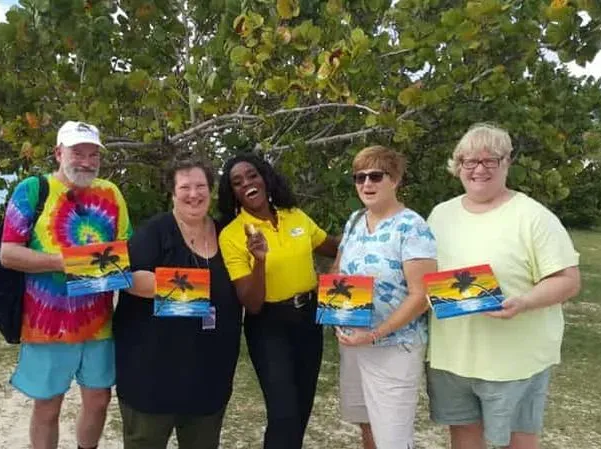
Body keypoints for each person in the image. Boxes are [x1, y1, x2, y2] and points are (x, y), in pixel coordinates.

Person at [426, 123, 581, 449]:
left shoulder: (533, 216)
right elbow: (423, 276)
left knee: (517, 442)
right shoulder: (440, 215)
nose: (479, 169)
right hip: (452, 357)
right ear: (458, 166)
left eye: (490, 161)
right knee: (464, 441)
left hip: (515, 361)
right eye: (470, 161)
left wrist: (523, 302)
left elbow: (568, 280)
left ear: (507, 162)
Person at [0, 121, 132, 449]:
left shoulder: (111, 193)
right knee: (48, 406)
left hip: (99, 323)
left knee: (99, 400)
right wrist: (66, 261)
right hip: (47, 324)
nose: (86, 161)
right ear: (59, 153)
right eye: (77, 152)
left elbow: (125, 249)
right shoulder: (32, 189)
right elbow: (8, 254)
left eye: (93, 154)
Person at [113, 158, 242, 449]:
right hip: (152, 375)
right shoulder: (155, 230)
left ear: (211, 190)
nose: (193, 194)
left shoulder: (228, 233)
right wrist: (188, 290)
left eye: (200, 186)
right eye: (185, 187)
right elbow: (126, 276)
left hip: (210, 375)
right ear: (172, 193)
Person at [218, 153, 339, 449]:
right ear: (232, 193)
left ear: (265, 178)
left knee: (301, 410)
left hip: (309, 319)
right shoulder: (233, 235)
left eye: (252, 175)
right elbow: (252, 303)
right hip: (269, 325)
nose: (247, 182)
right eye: (237, 182)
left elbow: (333, 247)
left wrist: (366, 228)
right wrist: (259, 260)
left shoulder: (295, 215)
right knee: (283, 413)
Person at [332, 146, 437, 449]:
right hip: (354, 343)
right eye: (359, 177)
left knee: (392, 438)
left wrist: (375, 334)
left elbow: (421, 295)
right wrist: (337, 312)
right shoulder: (354, 220)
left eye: (376, 176)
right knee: (367, 426)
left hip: (393, 347)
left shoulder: (412, 226)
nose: (367, 184)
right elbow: (339, 270)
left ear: (395, 180)